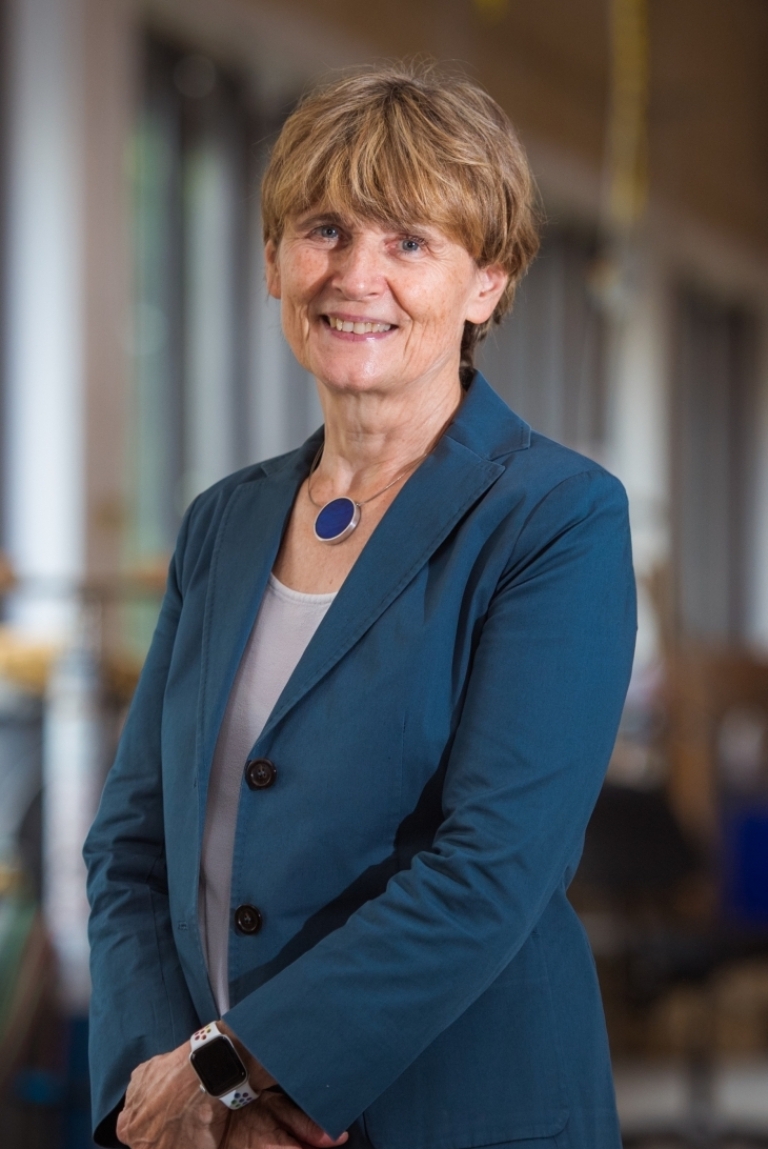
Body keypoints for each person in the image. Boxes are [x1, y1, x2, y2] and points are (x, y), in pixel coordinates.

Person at [85, 62, 636, 1149]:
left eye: (409, 241)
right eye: (325, 229)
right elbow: (132, 846)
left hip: (459, 1110)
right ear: (272, 263)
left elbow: (493, 866)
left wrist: (236, 1072)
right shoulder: (222, 522)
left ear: (488, 281)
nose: (355, 275)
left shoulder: (557, 516)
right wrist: (168, 1093)